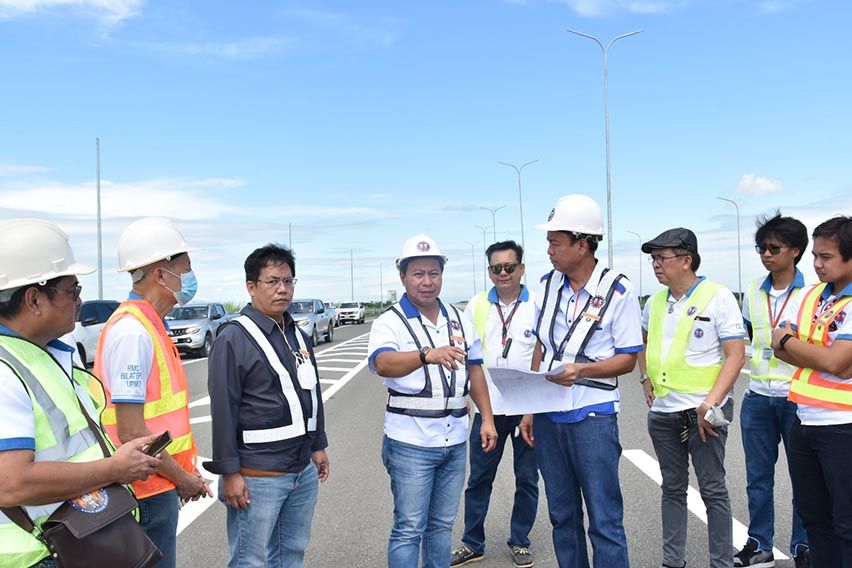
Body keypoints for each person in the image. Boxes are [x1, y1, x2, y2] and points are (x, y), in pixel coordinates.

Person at [0, 218, 161, 568]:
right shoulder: (5, 369)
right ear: (34, 299)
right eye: (72, 291)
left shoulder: (43, 353)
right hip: (32, 555)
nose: (80, 300)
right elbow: (11, 483)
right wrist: (114, 468)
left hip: (72, 541)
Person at [518, 195, 643, 568]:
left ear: (583, 244)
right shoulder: (547, 286)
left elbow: (628, 358)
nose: (549, 251)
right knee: (562, 515)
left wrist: (582, 371)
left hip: (593, 415)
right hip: (549, 413)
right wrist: (530, 408)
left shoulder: (617, 290)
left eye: (556, 243)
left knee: (604, 519)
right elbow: (541, 345)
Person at [368, 233, 498, 568]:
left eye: (434, 273)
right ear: (403, 277)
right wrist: (426, 355)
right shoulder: (390, 322)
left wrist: (487, 418)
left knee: (441, 526)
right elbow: (382, 363)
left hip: (454, 441)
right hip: (410, 442)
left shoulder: (459, 318)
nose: (427, 282)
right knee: (409, 527)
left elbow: (475, 368)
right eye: (418, 274)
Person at [94, 217, 211, 568]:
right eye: (185, 268)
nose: (190, 277)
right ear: (161, 275)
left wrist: (183, 473)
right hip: (145, 489)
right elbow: (132, 431)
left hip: (156, 482)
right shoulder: (133, 332)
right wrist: (183, 478)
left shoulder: (148, 325)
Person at [206, 244, 329, 568]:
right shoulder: (233, 338)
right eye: (273, 281)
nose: (283, 289)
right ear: (251, 286)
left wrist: (317, 445)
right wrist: (229, 473)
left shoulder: (297, 334)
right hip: (258, 475)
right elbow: (224, 409)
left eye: (288, 281)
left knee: (291, 554)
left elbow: (311, 393)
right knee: (250, 560)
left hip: (301, 470)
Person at [639, 227, 746, 568]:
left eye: (662, 257)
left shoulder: (719, 297)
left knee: (713, 490)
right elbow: (641, 341)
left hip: (703, 413)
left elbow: (736, 356)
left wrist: (710, 403)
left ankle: (721, 563)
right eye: (653, 258)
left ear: (686, 260)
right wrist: (645, 376)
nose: (656, 264)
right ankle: (673, 562)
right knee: (672, 489)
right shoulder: (654, 302)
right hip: (663, 413)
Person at [452, 240, 539, 568]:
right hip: (488, 409)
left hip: (527, 409)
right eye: (496, 268)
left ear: (521, 268)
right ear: (489, 271)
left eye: (509, 267)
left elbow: (545, 355)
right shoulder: (476, 305)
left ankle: (520, 541)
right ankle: (472, 543)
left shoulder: (538, 304)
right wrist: (467, 399)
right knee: (478, 480)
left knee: (527, 479)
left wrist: (533, 409)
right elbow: (465, 356)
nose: (503, 273)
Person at [772, 215, 852, 568]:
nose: (817, 264)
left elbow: (837, 362)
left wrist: (791, 341)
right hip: (803, 420)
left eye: (827, 257)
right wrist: (808, 350)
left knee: (846, 523)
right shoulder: (808, 295)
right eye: (815, 256)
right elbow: (777, 346)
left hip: (844, 427)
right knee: (814, 518)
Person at [735, 213, 810, 568]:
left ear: (795, 251)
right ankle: (759, 545)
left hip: (797, 398)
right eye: (761, 248)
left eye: (774, 248)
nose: (766, 254)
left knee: (805, 478)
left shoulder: (812, 293)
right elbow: (751, 335)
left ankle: (804, 546)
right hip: (758, 396)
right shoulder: (753, 290)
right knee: (758, 478)